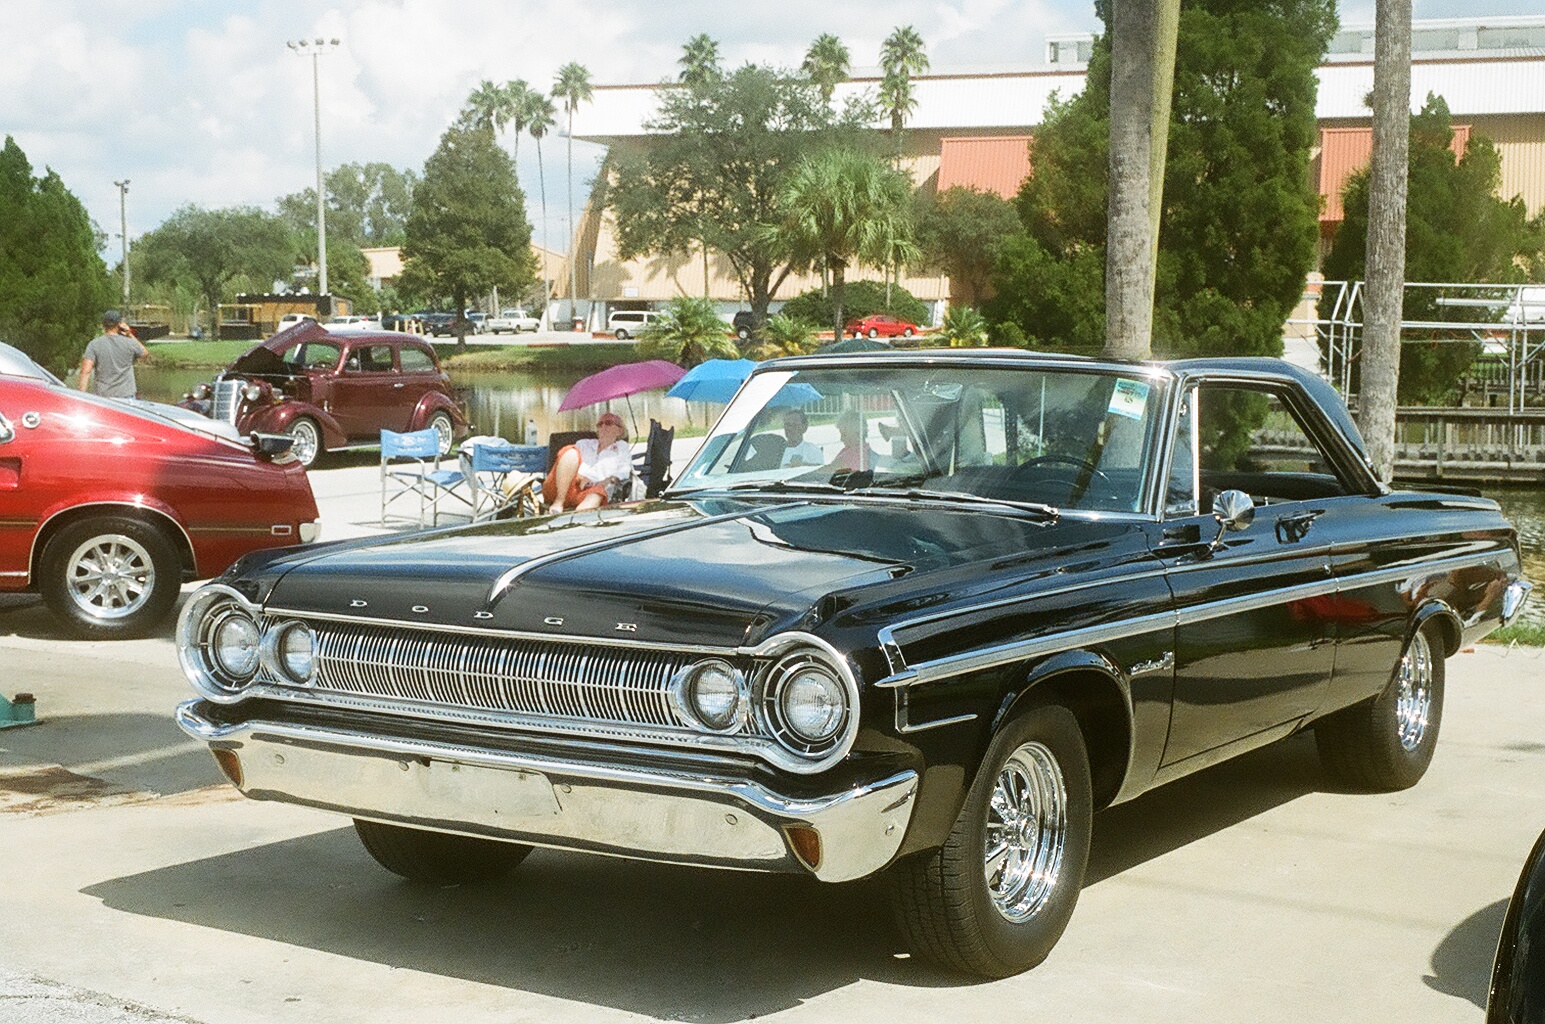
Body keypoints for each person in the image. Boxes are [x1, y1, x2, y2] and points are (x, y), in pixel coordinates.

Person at [543, 411, 633, 514]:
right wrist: (580, 477)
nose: (603, 426)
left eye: (608, 423)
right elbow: (567, 463)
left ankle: (579, 521)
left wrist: (607, 481)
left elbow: (624, 472)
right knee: (570, 451)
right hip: (563, 487)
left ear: (620, 431)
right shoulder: (584, 444)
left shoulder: (622, 449)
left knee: (598, 492)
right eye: (600, 424)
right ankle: (559, 502)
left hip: (590, 492)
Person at [79, 310, 149, 398]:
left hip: (103, 397)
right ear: (119, 324)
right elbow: (145, 353)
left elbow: (86, 371)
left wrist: (81, 396)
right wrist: (130, 334)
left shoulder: (94, 344)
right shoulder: (130, 343)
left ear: (103, 325)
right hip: (126, 396)